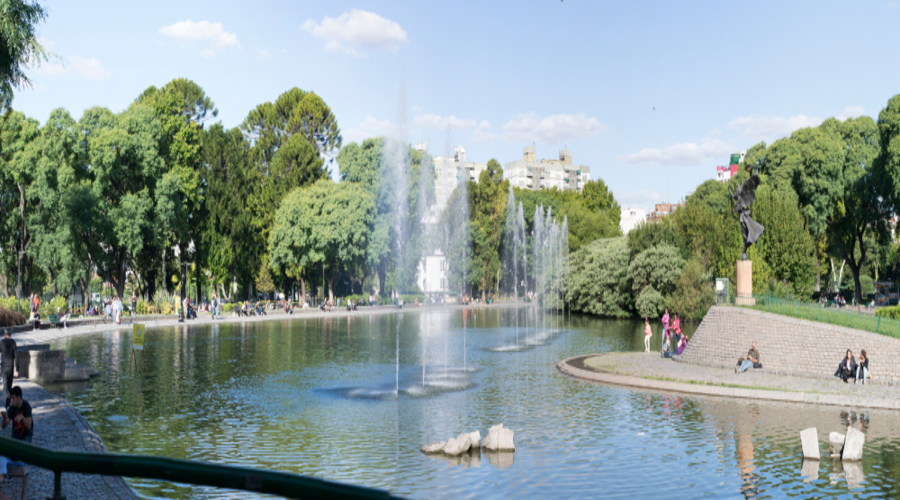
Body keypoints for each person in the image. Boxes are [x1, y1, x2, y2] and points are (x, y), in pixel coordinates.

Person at [0, 328, 17, 409]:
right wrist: (17, 369)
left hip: (4, 367)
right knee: (9, 387)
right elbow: (17, 357)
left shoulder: (2, 342)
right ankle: (8, 404)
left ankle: (7, 404)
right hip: (10, 367)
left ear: (4, 333)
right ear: (11, 333)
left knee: (5, 386)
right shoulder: (13, 343)